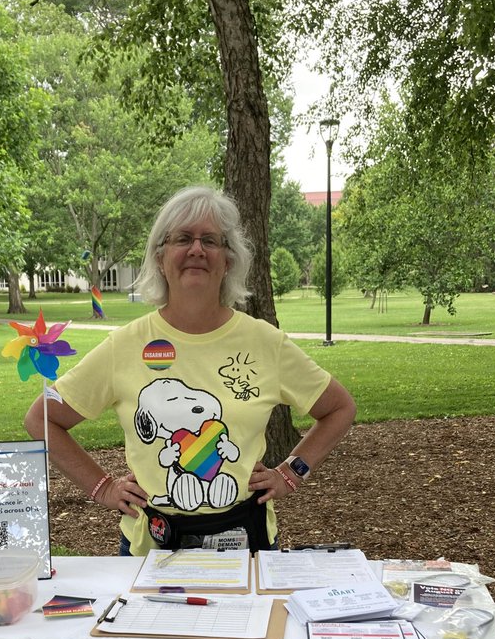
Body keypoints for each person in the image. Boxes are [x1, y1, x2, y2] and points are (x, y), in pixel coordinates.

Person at [25, 185, 356, 555]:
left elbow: (340, 408)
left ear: (228, 259)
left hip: (247, 546)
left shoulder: (266, 343)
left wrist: (290, 474)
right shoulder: (125, 346)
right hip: (151, 548)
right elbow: (41, 418)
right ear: (160, 257)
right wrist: (101, 486)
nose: (196, 249)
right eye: (183, 238)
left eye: (210, 240)